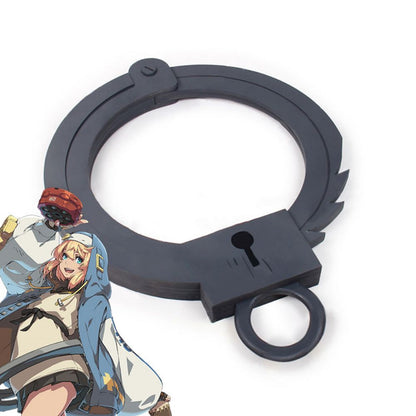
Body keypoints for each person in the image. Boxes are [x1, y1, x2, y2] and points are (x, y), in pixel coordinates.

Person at [0, 194, 171, 415]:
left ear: (91, 267)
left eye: (79, 259)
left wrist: (107, 396)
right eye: (65, 256)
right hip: (17, 355)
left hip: (57, 367)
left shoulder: (89, 302)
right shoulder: (41, 287)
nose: (69, 263)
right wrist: (48, 227)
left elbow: (104, 344)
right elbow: (16, 270)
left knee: (52, 393)